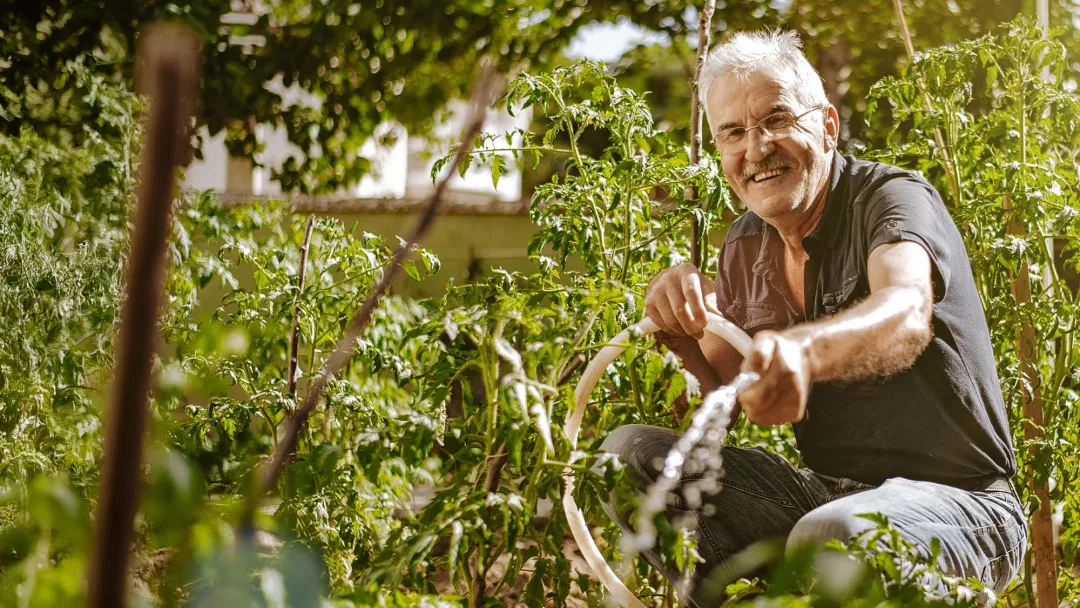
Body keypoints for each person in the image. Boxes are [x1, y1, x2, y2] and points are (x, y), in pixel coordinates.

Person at [600, 30, 1025, 606]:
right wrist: (680, 335)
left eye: (776, 119)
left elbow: (905, 311)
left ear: (827, 125)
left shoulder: (889, 199)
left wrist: (803, 351)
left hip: (965, 508)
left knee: (833, 536)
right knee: (627, 456)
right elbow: (710, 406)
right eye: (733, 132)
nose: (756, 148)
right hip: (827, 497)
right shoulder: (746, 242)